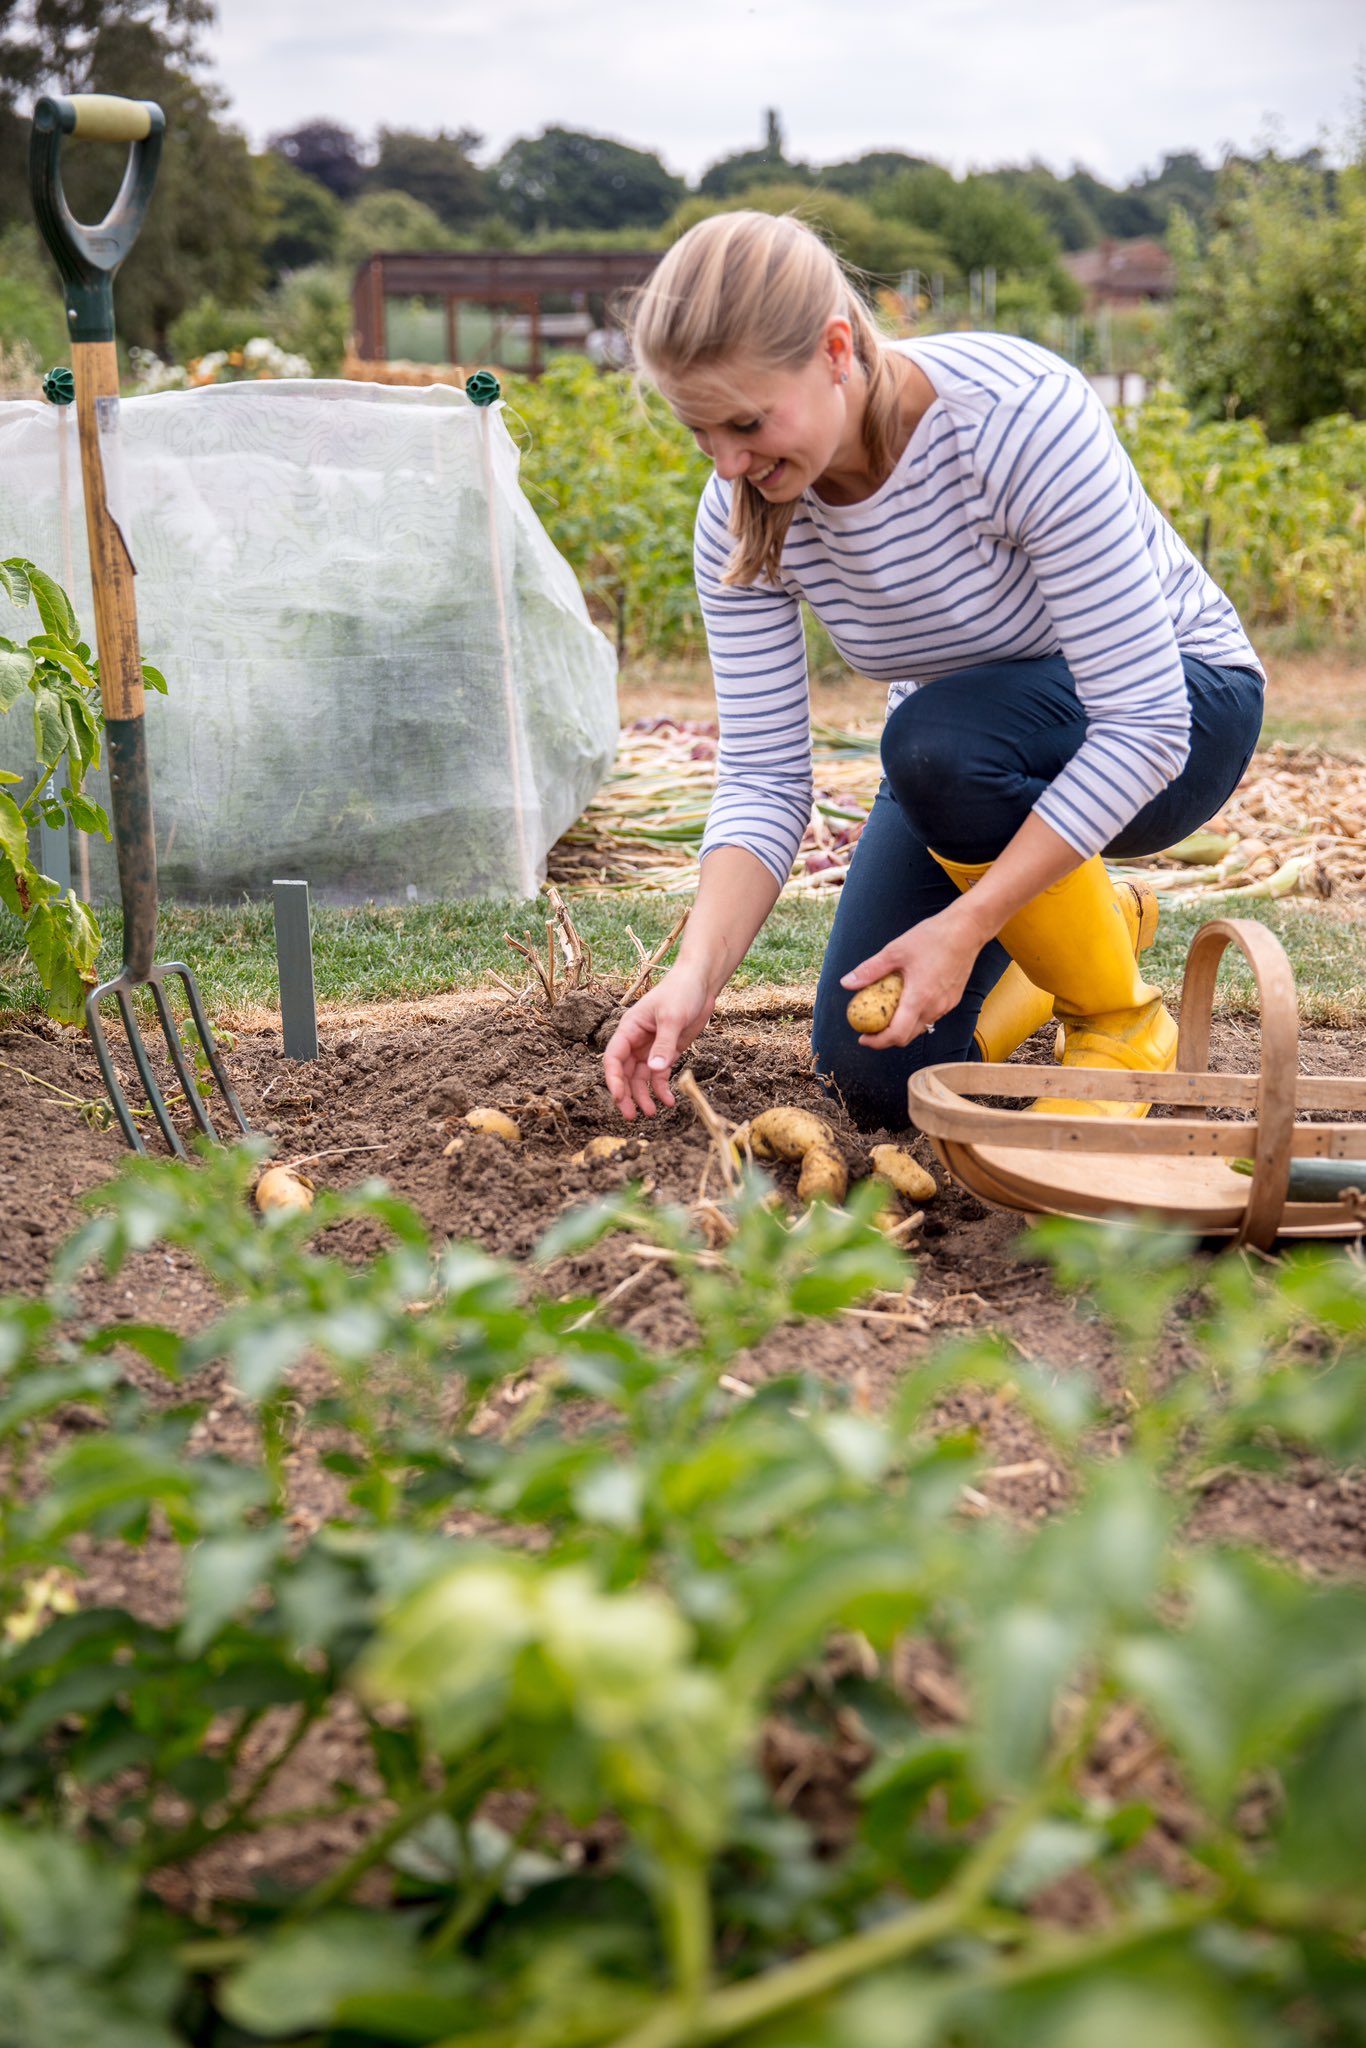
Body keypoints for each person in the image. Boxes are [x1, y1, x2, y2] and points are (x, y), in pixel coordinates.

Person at [602, 212, 1264, 1132]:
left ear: (836, 349)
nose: (729, 464)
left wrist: (974, 920)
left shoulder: (1015, 417)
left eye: (748, 423)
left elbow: (1145, 725)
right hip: (969, 770)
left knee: (938, 740)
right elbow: (762, 782)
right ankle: (1089, 921)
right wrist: (694, 978)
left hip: (1183, 712)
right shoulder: (741, 514)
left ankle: (1115, 1017)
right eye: (699, 431)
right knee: (872, 1077)